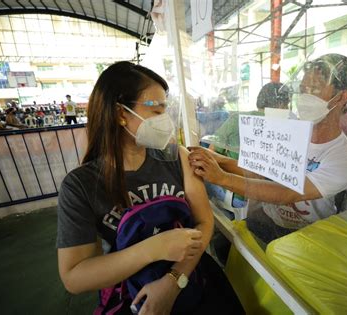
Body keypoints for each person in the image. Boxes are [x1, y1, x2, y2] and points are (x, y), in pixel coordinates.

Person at [56, 62, 243, 315]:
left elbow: (204, 223)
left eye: (166, 109)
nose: (165, 121)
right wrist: (153, 248)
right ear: (119, 113)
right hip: (134, 292)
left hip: (190, 274)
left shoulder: (177, 158)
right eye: (156, 111)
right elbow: (75, 276)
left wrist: (174, 281)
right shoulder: (80, 185)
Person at [189, 53, 347, 244]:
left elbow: (288, 193)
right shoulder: (287, 130)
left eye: (314, 89)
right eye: (302, 90)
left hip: (308, 236)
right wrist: (217, 159)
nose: (305, 98)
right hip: (265, 221)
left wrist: (222, 178)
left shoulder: (345, 159)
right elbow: (260, 173)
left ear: (342, 96)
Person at [212, 82, 291, 160]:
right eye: (286, 105)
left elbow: (211, 151)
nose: (287, 109)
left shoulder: (237, 119)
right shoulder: (281, 127)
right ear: (280, 104)